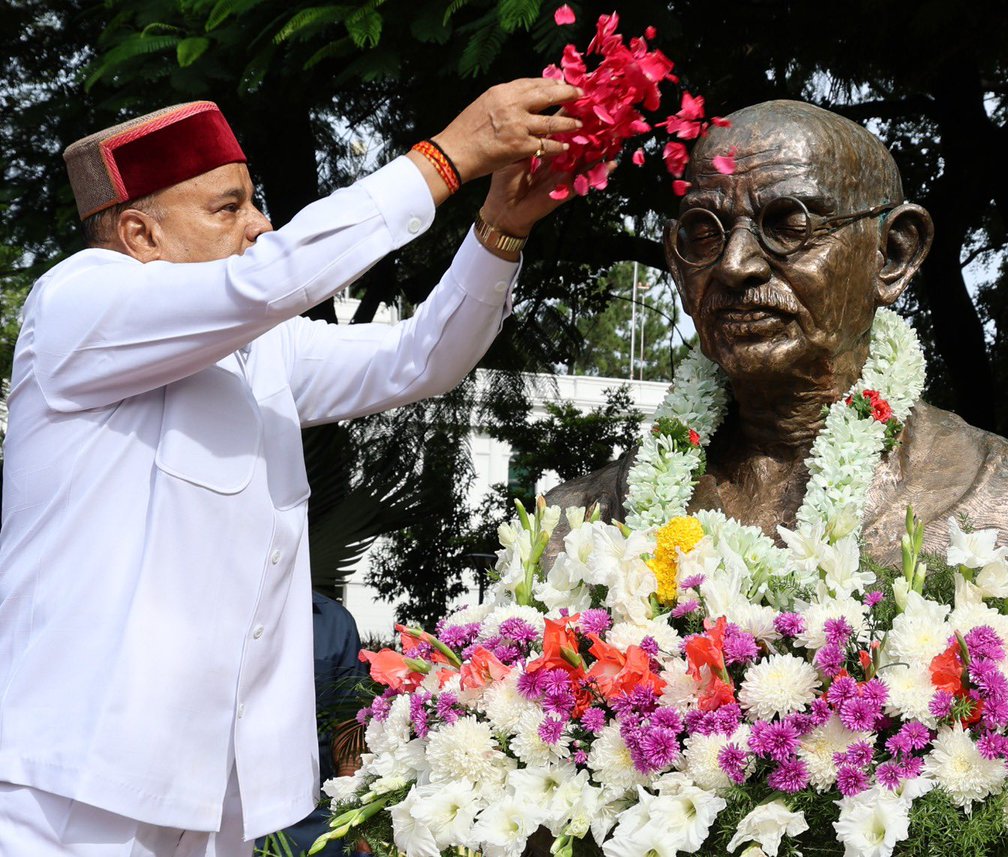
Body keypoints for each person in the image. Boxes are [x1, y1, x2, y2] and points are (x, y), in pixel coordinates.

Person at [0, 79, 583, 856]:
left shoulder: (257, 349)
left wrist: (499, 228)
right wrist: (446, 158)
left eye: (254, 201)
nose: (259, 225)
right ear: (140, 234)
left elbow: (422, 358)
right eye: (227, 207)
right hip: (71, 790)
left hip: (215, 797)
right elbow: (266, 280)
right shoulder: (76, 301)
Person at [547, 99, 1008, 564]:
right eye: (702, 232)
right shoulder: (579, 527)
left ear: (894, 255)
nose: (734, 265)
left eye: (788, 225)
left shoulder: (1005, 498)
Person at [255, 591, 367, 856]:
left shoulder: (334, 622)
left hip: (314, 822)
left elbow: (350, 726)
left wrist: (354, 818)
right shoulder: (210, 611)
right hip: (221, 815)